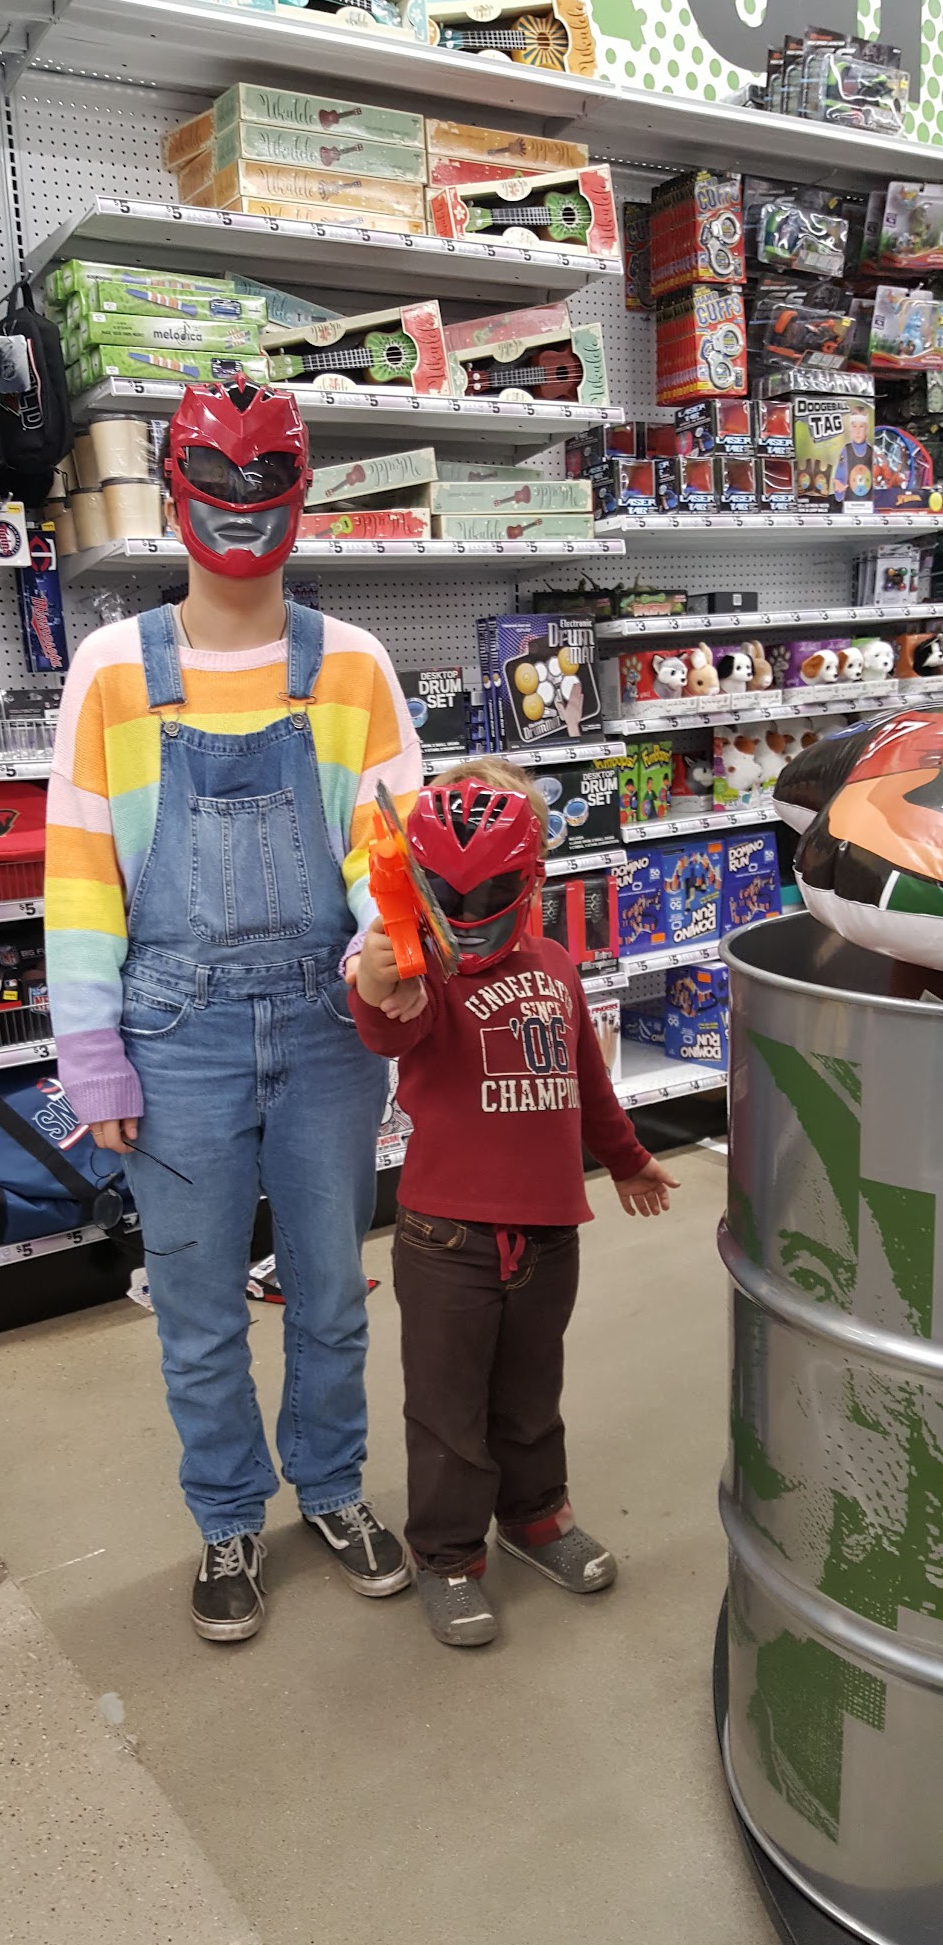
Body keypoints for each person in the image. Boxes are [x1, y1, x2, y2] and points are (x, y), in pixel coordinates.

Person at [46, 377, 423, 1644]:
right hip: (172, 1038)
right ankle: (225, 1514)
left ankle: (331, 1486)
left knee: (331, 1293)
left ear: (301, 494)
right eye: (219, 480)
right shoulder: (111, 671)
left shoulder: (353, 665)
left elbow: (389, 852)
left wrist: (387, 955)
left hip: (328, 1027)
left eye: (270, 481)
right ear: (176, 492)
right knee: (200, 1308)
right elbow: (80, 871)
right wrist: (91, 1053)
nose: (244, 506)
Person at [349, 758, 679, 1648]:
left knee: (532, 1396)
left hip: (547, 1233)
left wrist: (628, 1161)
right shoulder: (422, 972)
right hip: (443, 1241)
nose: (468, 910)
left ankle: (534, 1519)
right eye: (447, 893)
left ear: (528, 877)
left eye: (489, 889)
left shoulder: (557, 966)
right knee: (447, 1412)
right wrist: (376, 979)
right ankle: (446, 1557)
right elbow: (386, 1024)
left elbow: (588, 1084)